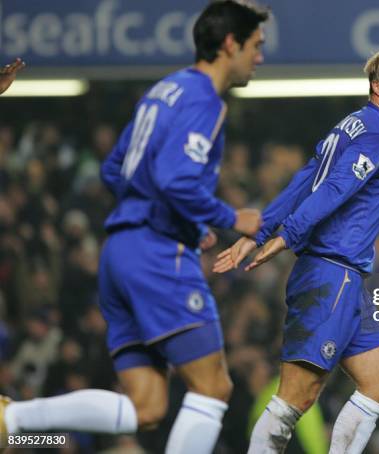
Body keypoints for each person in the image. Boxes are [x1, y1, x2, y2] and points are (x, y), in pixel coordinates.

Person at [0, 2, 268, 453]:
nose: (259, 57)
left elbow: (113, 168)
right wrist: (228, 217)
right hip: (156, 256)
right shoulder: (205, 100)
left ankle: (13, 418)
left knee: (147, 407)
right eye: (256, 46)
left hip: (119, 255)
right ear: (229, 44)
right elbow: (173, 178)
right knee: (213, 388)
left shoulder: (163, 91)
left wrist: (176, 215)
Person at [214, 47, 379, 453]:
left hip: (346, 281)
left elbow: (301, 182)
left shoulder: (348, 128)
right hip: (332, 274)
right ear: (376, 87)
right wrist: (283, 236)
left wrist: (259, 233)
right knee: (294, 398)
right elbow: (331, 190)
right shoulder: (378, 135)